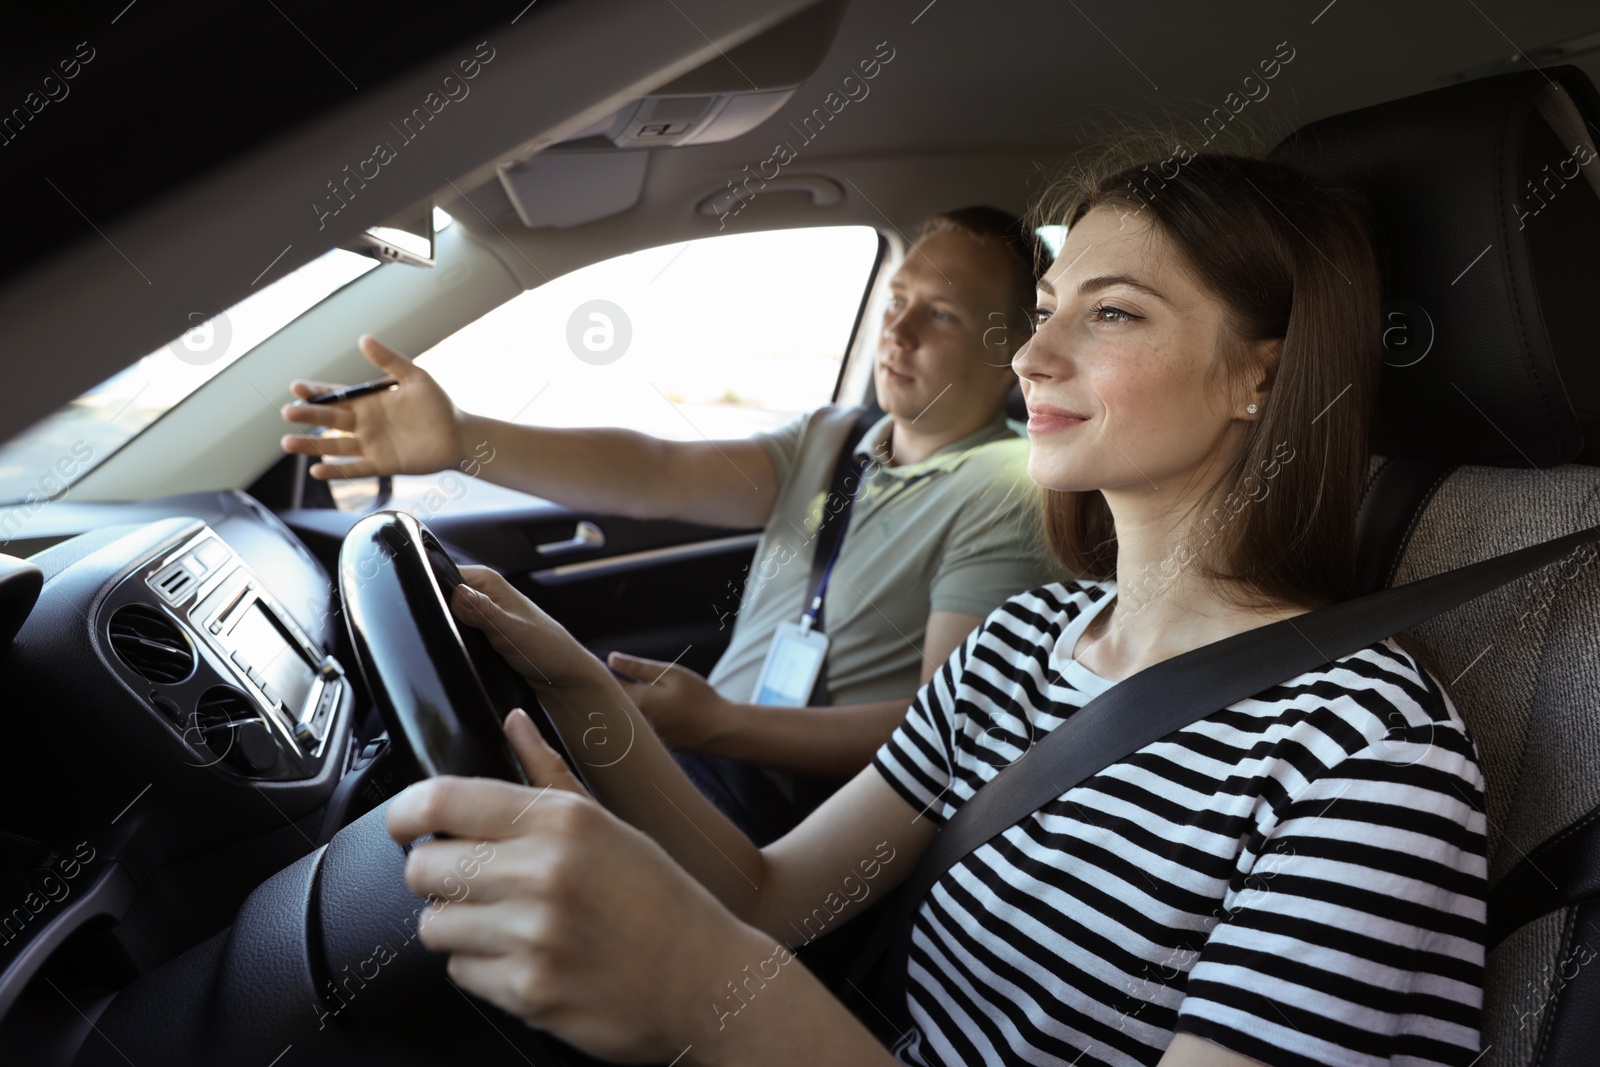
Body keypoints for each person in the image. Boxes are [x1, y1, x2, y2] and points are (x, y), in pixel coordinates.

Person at [383, 150, 1487, 1067]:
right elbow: (769, 895)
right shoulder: (1021, 646)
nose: (1032, 354)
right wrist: (581, 687)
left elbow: (739, 946)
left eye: (1109, 313)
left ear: (1262, 377)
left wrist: (704, 984)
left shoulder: (1367, 752)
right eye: (1047, 308)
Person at [282, 207, 1063, 843]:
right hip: (703, 756)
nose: (898, 331)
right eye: (896, 300)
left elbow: (939, 727)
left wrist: (722, 724)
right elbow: (656, 472)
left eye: (943, 315)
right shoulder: (835, 438)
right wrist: (462, 441)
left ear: (1010, 355)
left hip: (802, 815)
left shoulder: (1004, 492)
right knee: (405, 796)